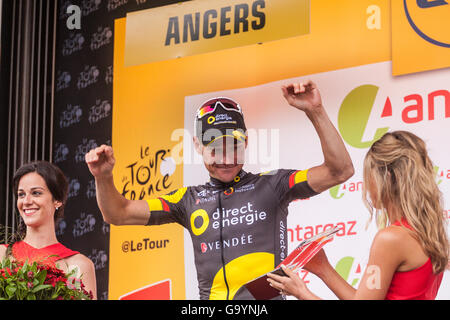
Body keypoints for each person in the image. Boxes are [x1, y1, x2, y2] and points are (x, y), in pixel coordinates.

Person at [85, 81, 354, 300]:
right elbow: (117, 214)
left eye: (233, 145)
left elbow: (339, 170)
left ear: (246, 142)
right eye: (214, 147)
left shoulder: (273, 184)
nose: (225, 157)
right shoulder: (186, 200)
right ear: (197, 145)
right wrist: (104, 177)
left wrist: (315, 111)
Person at [267, 130, 449, 300]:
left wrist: (302, 292)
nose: (367, 186)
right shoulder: (426, 234)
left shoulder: (391, 239)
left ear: (386, 177)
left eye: (368, 174)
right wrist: (324, 269)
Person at [0, 161, 97, 299]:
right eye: (21, 194)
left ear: (57, 200)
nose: (26, 201)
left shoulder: (79, 265)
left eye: (36, 193)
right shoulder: (2, 255)